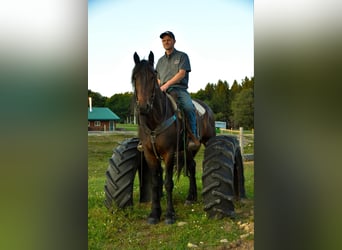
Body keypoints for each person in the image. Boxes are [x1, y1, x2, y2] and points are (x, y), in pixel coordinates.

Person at [156, 31, 200, 150]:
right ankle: (147, 139)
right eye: (164, 40)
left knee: (188, 107)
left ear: (174, 41)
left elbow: (181, 74)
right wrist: (159, 88)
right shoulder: (160, 61)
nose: (166, 42)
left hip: (179, 89)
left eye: (169, 40)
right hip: (162, 91)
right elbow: (158, 79)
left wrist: (167, 85)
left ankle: (192, 137)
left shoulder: (182, 56)